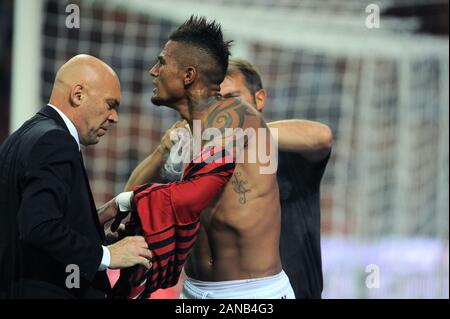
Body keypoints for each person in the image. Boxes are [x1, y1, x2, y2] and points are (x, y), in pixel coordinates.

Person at [118, 16, 294, 299]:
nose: (153, 71)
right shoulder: (183, 135)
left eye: (161, 62)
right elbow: (129, 193)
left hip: (253, 293)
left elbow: (189, 194)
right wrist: (164, 149)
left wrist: (125, 203)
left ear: (188, 75)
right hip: (194, 291)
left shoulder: (238, 115)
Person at [0, 54, 152, 299]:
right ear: (78, 94)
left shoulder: (23, 136)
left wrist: (98, 219)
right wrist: (109, 255)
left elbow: (30, 220)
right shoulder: (55, 141)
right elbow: (38, 226)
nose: (114, 117)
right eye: (110, 104)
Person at [221, 59, 332, 298]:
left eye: (233, 98)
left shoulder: (288, 150)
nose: (224, 110)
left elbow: (322, 136)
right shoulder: (209, 160)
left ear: (259, 98)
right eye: (217, 101)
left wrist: (247, 132)